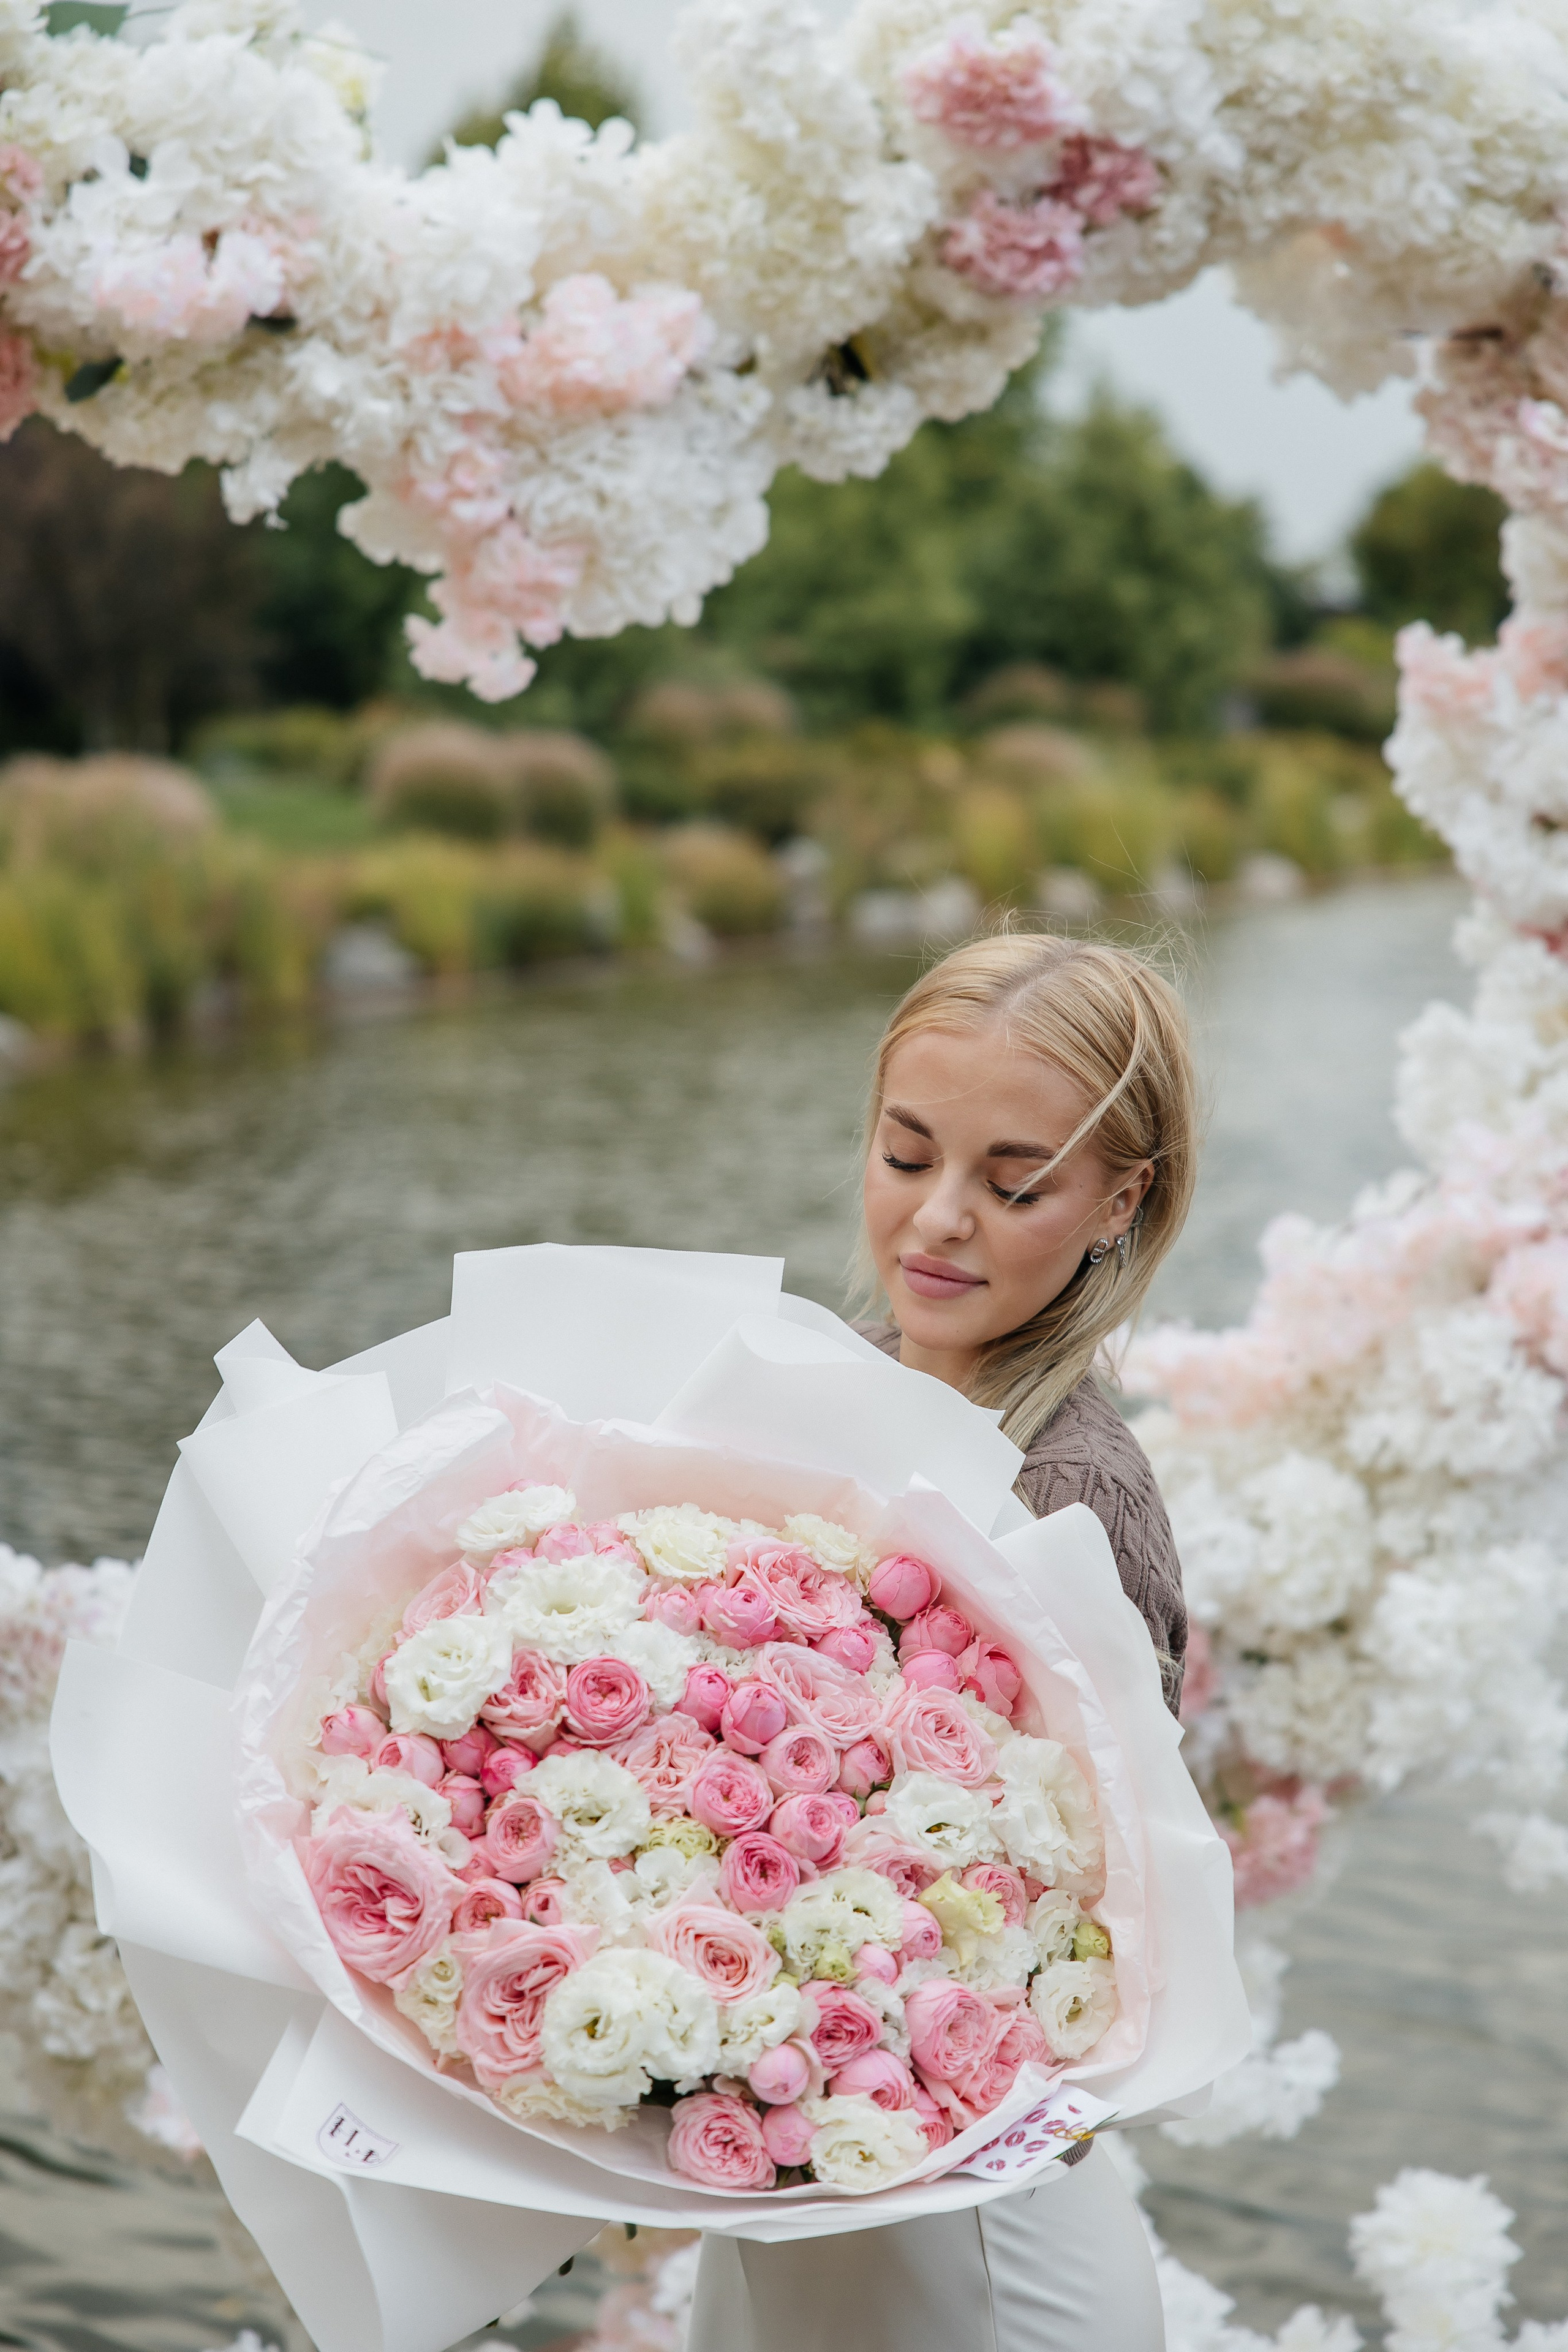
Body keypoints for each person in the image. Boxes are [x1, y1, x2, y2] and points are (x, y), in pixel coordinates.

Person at [687, 930, 1199, 2352]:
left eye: (1013, 1182)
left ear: (1118, 1200)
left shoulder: (1070, 1493)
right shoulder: (815, 1384)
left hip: (975, 2230)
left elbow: (1105, 1908)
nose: (938, 1223)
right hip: (783, 2168)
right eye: (907, 1158)